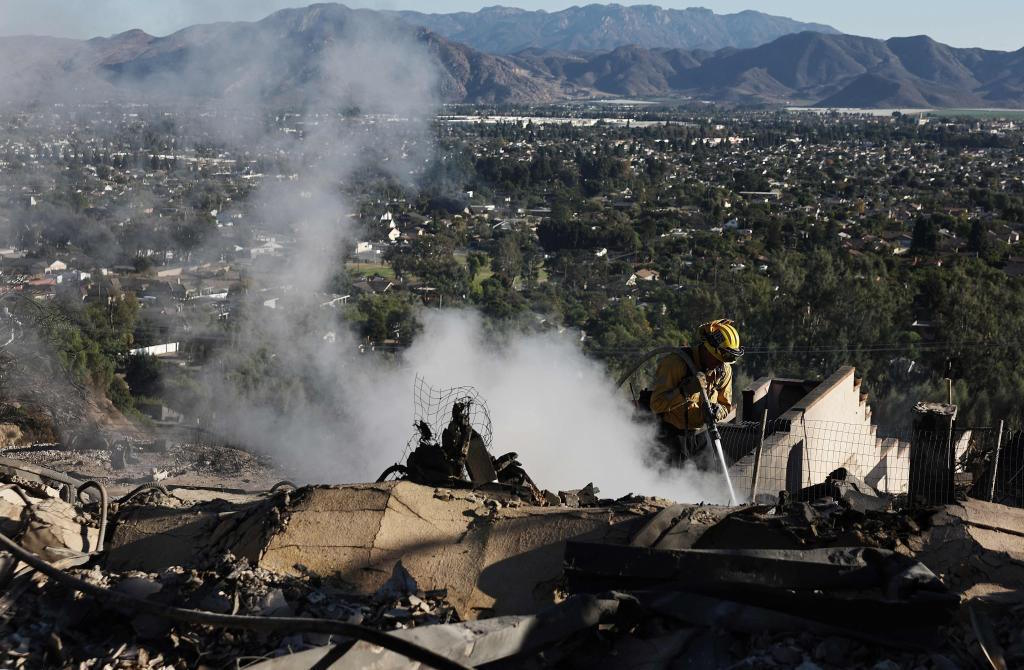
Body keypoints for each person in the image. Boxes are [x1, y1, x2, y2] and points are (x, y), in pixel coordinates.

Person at [649, 319, 744, 462]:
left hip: (702, 436)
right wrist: (686, 391)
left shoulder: (724, 369)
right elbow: (656, 404)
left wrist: (718, 411)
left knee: (709, 481)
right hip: (672, 438)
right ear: (707, 349)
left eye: (725, 359)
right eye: (718, 358)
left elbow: (725, 404)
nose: (721, 363)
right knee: (672, 483)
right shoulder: (675, 364)